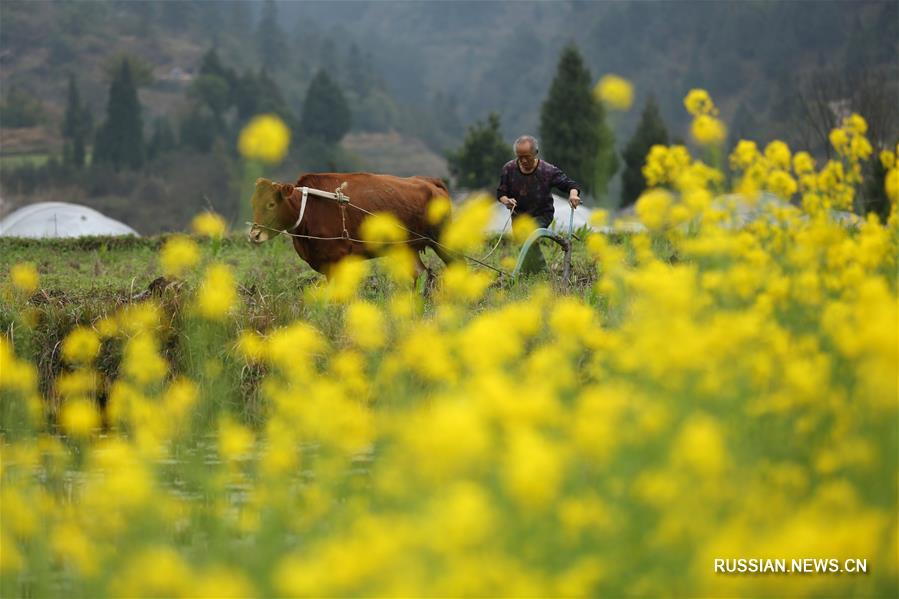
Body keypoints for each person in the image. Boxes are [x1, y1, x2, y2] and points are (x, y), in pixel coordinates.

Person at [496, 135, 581, 273]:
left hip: (542, 214)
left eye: (527, 157)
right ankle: (529, 273)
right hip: (519, 217)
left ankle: (541, 271)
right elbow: (501, 193)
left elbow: (570, 184)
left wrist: (573, 195)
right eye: (520, 157)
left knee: (530, 236)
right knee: (524, 245)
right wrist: (507, 201)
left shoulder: (547, 170)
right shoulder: (509, 169)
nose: (523, 161)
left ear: (535, 153)